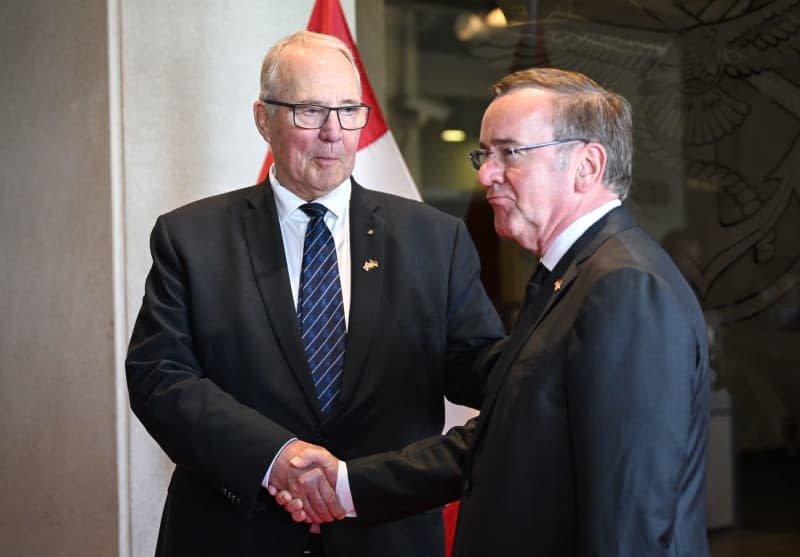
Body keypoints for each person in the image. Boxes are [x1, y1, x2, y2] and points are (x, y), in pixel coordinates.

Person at [275, 67, 711, 556]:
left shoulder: (626, 289)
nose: (485, 174)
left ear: (587, 165)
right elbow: (502, 439)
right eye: (485, 154)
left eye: (509, 153)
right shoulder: (569, 278)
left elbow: (629, 524)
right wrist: (348, 485)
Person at [125, 30, 504, 557]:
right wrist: (275, 456)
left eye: (349, 110)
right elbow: (158, 377)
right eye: (310, 111)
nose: (334, 132)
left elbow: (482, 368)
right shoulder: (191, 237)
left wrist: (559, 351)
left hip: (384, 537)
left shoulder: (434, 240)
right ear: (263, 119)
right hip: (233, 534)